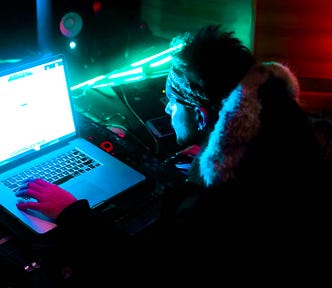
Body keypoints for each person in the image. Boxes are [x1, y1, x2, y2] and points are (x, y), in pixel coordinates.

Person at [12, 24, 329, 286]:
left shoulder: (216, 196)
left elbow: (147, 271)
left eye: (173, 100)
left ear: (202, 116)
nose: (166, 107)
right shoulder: (284, 121)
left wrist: (70, 212)